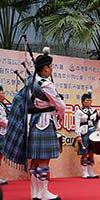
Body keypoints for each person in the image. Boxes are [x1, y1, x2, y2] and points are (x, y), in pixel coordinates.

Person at [4, 48, 65, 200]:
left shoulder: (31, 82)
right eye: (51, 66)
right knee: (44, 159)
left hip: (32, 124)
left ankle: (35, 194)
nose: (51, 69)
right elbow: (61, 105)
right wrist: (61, 117)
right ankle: (44, 193)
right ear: (45, 68)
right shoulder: (46, 84)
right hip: (45, 122)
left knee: (35, 160)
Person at [75, 91, 100, 179]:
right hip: (84, 133)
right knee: (84, 152)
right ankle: (84, 172)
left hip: (93, 132)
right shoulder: (79, 111)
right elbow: (77, 124)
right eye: (87, 100)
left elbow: (98, 121)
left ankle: (91, 171)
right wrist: (78, 135)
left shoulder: (94, 111)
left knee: (91, 152)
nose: (89, 102)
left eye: (90, 100)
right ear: (83, 101)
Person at [0, 85, 9, 185]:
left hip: (3, 132)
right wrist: (11, 124)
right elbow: (2, 120)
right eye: (2, 93)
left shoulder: (2, 105)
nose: (3, 95)